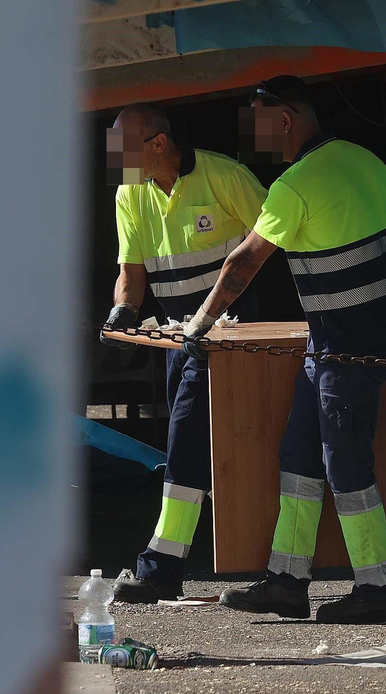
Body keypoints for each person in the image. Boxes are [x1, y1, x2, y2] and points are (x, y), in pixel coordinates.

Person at [177, 76, 386, 623]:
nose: (255, 137)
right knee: (299, 452)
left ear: (284, 119)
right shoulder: (368, 162)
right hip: (344, 343)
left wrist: (198, 325)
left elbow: (244, 262)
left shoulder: (293, 186)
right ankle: (287, 582)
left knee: (346, 460)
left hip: (346, 350)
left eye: (258, 124)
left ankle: (379, 589)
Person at [100, 103, 271, 604]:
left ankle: (161, 568)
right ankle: (268, 568)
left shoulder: (225, 176)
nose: (114, 158)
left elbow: (276, 236)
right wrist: (123, 311)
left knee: (190, 443)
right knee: (196, 445)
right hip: (180, 339)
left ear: (158, 143)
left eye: (123, 147)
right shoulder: (129, 192)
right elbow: (131, 272)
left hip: (233, 336)